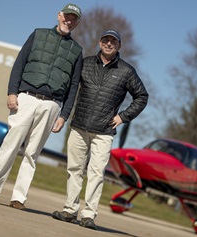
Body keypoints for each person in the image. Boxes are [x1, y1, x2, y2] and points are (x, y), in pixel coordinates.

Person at [0, 3, 83, 211]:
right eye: (66, 16)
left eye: (73, 19)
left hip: (52, 105)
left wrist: (64, 115)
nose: (69, 21)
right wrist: (12, 92)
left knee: (32, 153)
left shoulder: (77, 50)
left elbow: (74, 85)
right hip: (26, 98)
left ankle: (19, 198)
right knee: (10, 145)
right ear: (59, 15)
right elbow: (20, 63)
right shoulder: (38, 34)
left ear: (77, 23)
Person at [52, 29, 149, 229]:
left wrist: (123, 116)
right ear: (100, 42)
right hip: (78, 126)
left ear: (119, 46)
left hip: (104, 132)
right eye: (105, 40)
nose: (108, 44)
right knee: (74, 169)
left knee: (96, 173)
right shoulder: (85, 63)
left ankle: (88, 215)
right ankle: (70, 210)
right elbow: (70, 89)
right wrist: (64, 114)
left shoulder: (126, 71)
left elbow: (142, 96)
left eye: (113, 41)